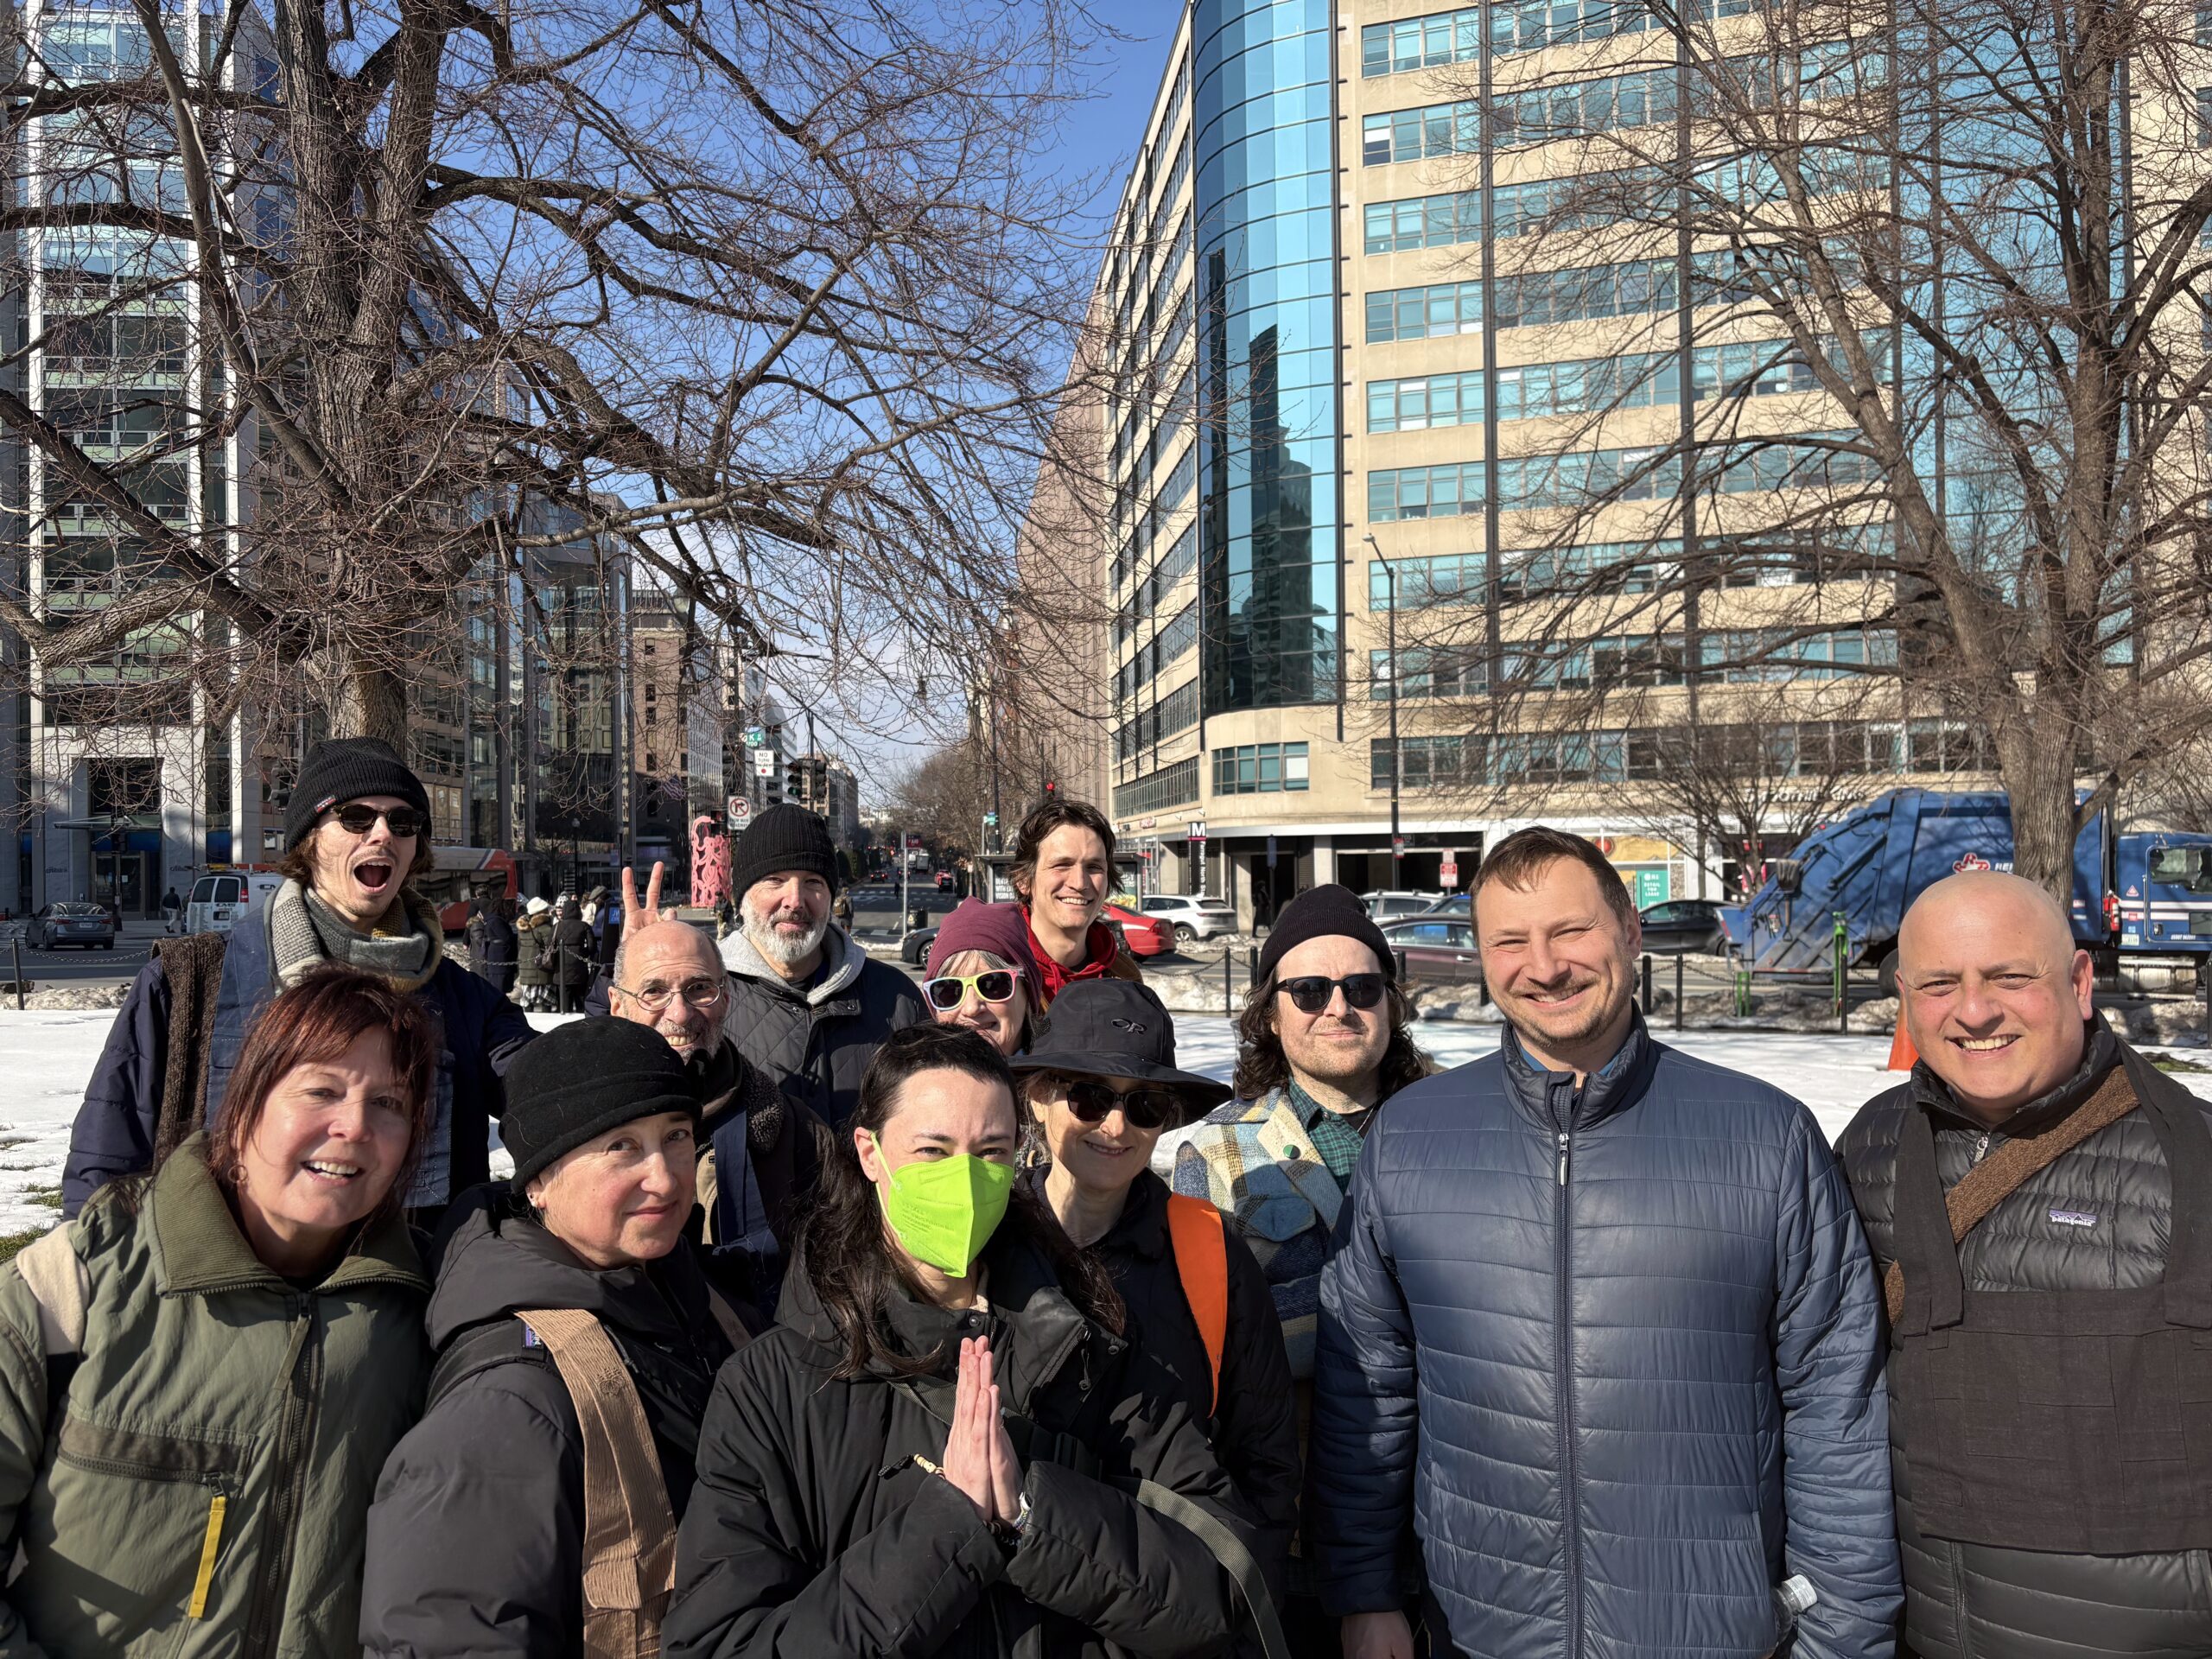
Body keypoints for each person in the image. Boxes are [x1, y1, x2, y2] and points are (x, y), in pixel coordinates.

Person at [1313, 826, 1899, 1659]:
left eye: (1570, 931)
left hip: (1709, 1636)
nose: (1543, 965)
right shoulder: (1409, 1138)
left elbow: (1838, 1406)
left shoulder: (1765, 1137)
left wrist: (1841, 1637)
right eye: (1509, 940)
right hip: (1478, 1632)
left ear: (1628, 929)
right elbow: (1366, 1389)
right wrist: (1364, 1592)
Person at [664, 1022, 1270, 1659]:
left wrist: (1036, 1513)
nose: (965, 1178)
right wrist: (949, 1527)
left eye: (990, 1152)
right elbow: (719, 1643)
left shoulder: (1093, 1339)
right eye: (932, 1151)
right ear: (871, 1154)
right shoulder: (772, 1385)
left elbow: (1221, 1584)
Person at [0, 968, 438, 1654]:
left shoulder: (426, 1314)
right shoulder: (68, 1292)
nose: (354, 1125)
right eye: (321, 1090)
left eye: (389, 1102)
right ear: (244, 1106)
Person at [1837, 871, 2212, 1657]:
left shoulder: (2195, 1159)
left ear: (2080, 982)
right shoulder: (1870, 1149)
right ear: (1906, 996)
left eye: (2010, 977)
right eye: (1941, 984)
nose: (1975, 1011)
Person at [359, 1019, 738, 1656]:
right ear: (538, 1180)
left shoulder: (684, 1291)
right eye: (622, 1146)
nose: (667, 1178)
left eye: (676, 1136)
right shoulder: (511, 1406)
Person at [63, 737, 534, 1217]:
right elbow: (106, 1162)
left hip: (411, 1282)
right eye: (355, 817)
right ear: (309, 840)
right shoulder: (186, 983)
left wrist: (613, 1003)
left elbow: (557, 1090)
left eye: (404, 821)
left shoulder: (466, 998)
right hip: (229, 1279)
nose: (382, 834)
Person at [1170, 883, 1431, 1656]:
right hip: (1297, 1527)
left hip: (1453, 1520)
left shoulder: (1459, 1127)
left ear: (1391, 1000)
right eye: (1310, 990)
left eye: (1362, 987)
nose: (1338, 1007)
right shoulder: (1214, 1154)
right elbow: (1210, 1360)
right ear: (1271, 1011)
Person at [1014, 979, 1301, 1609]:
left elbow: (1266, 1456)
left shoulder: (1211, 1253)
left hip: (1167, 1612)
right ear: (1038, 1098)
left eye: (1144, 1106)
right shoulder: (987, 1241)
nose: (1116, 1126)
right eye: (1090, 1098)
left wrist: (1247, 1604)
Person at [609, 910, 821, 1323]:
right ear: (617, 1005)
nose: (680, 1013)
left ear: (726, 997)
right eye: (653, 992)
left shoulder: (797, 1133)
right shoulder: (580, 1137)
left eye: (699, 989)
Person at [715, 803, 925, 1130]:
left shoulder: (899, 1000)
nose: (795, 900)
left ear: (830, 896)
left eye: (813, 882)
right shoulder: (704, 997)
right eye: (775, 880)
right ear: (742, 898)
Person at [1008, 797, 1141, 1007]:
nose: (1080, 883)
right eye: (1062, 865)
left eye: (1094, 867)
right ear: (1023, 880)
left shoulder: (1124, 974)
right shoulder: (995, 978)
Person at [923, 899, 1045, 1057]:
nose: (972, 1009)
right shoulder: (912, 1080)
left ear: (1028, 992)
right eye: (949, 990)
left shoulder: (1064, 1077)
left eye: (993, 985)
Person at [548, 897, 595, 1014]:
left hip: (560, 972)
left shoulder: (556, 927)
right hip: (580, 971)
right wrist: (581, 953)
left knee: (564, 1009)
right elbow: (592, 947)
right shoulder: (584, 926)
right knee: (581, 1008)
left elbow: (549, 946)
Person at [514, 895, 554, 1011]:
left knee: (527, 1004)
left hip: (525, 968)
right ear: (541, 911)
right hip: (541, 969)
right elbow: (550, 947)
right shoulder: (545, 927)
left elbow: (519, 945)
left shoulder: (522, 927)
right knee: (546, 1002)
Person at [479, 896, 520, 997]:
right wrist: (517, 936)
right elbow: (506, 937)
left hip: (495, 956)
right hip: (501, 956)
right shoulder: (497, 921)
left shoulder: (489, 920)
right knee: (501, 986)